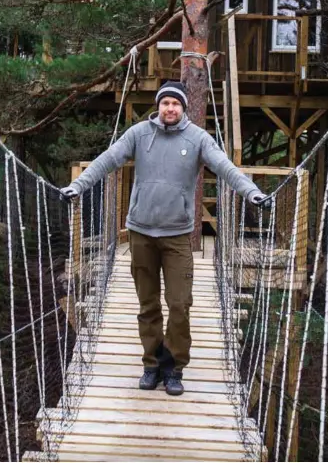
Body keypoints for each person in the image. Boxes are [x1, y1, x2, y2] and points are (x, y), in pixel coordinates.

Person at [60, 81, 269, 396]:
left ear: (184, 108)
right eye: (165, 103)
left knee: (180, 304)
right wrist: (79, 186)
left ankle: (174, 367)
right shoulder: (139, 134)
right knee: (147, 305)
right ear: (158, 106)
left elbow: (226, 168)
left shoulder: (198, 138)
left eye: (176, 103)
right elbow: (107, 159)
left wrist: (252, 192)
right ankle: (151, 365)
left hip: (178, 237)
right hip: (141, 233)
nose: (170, 108)